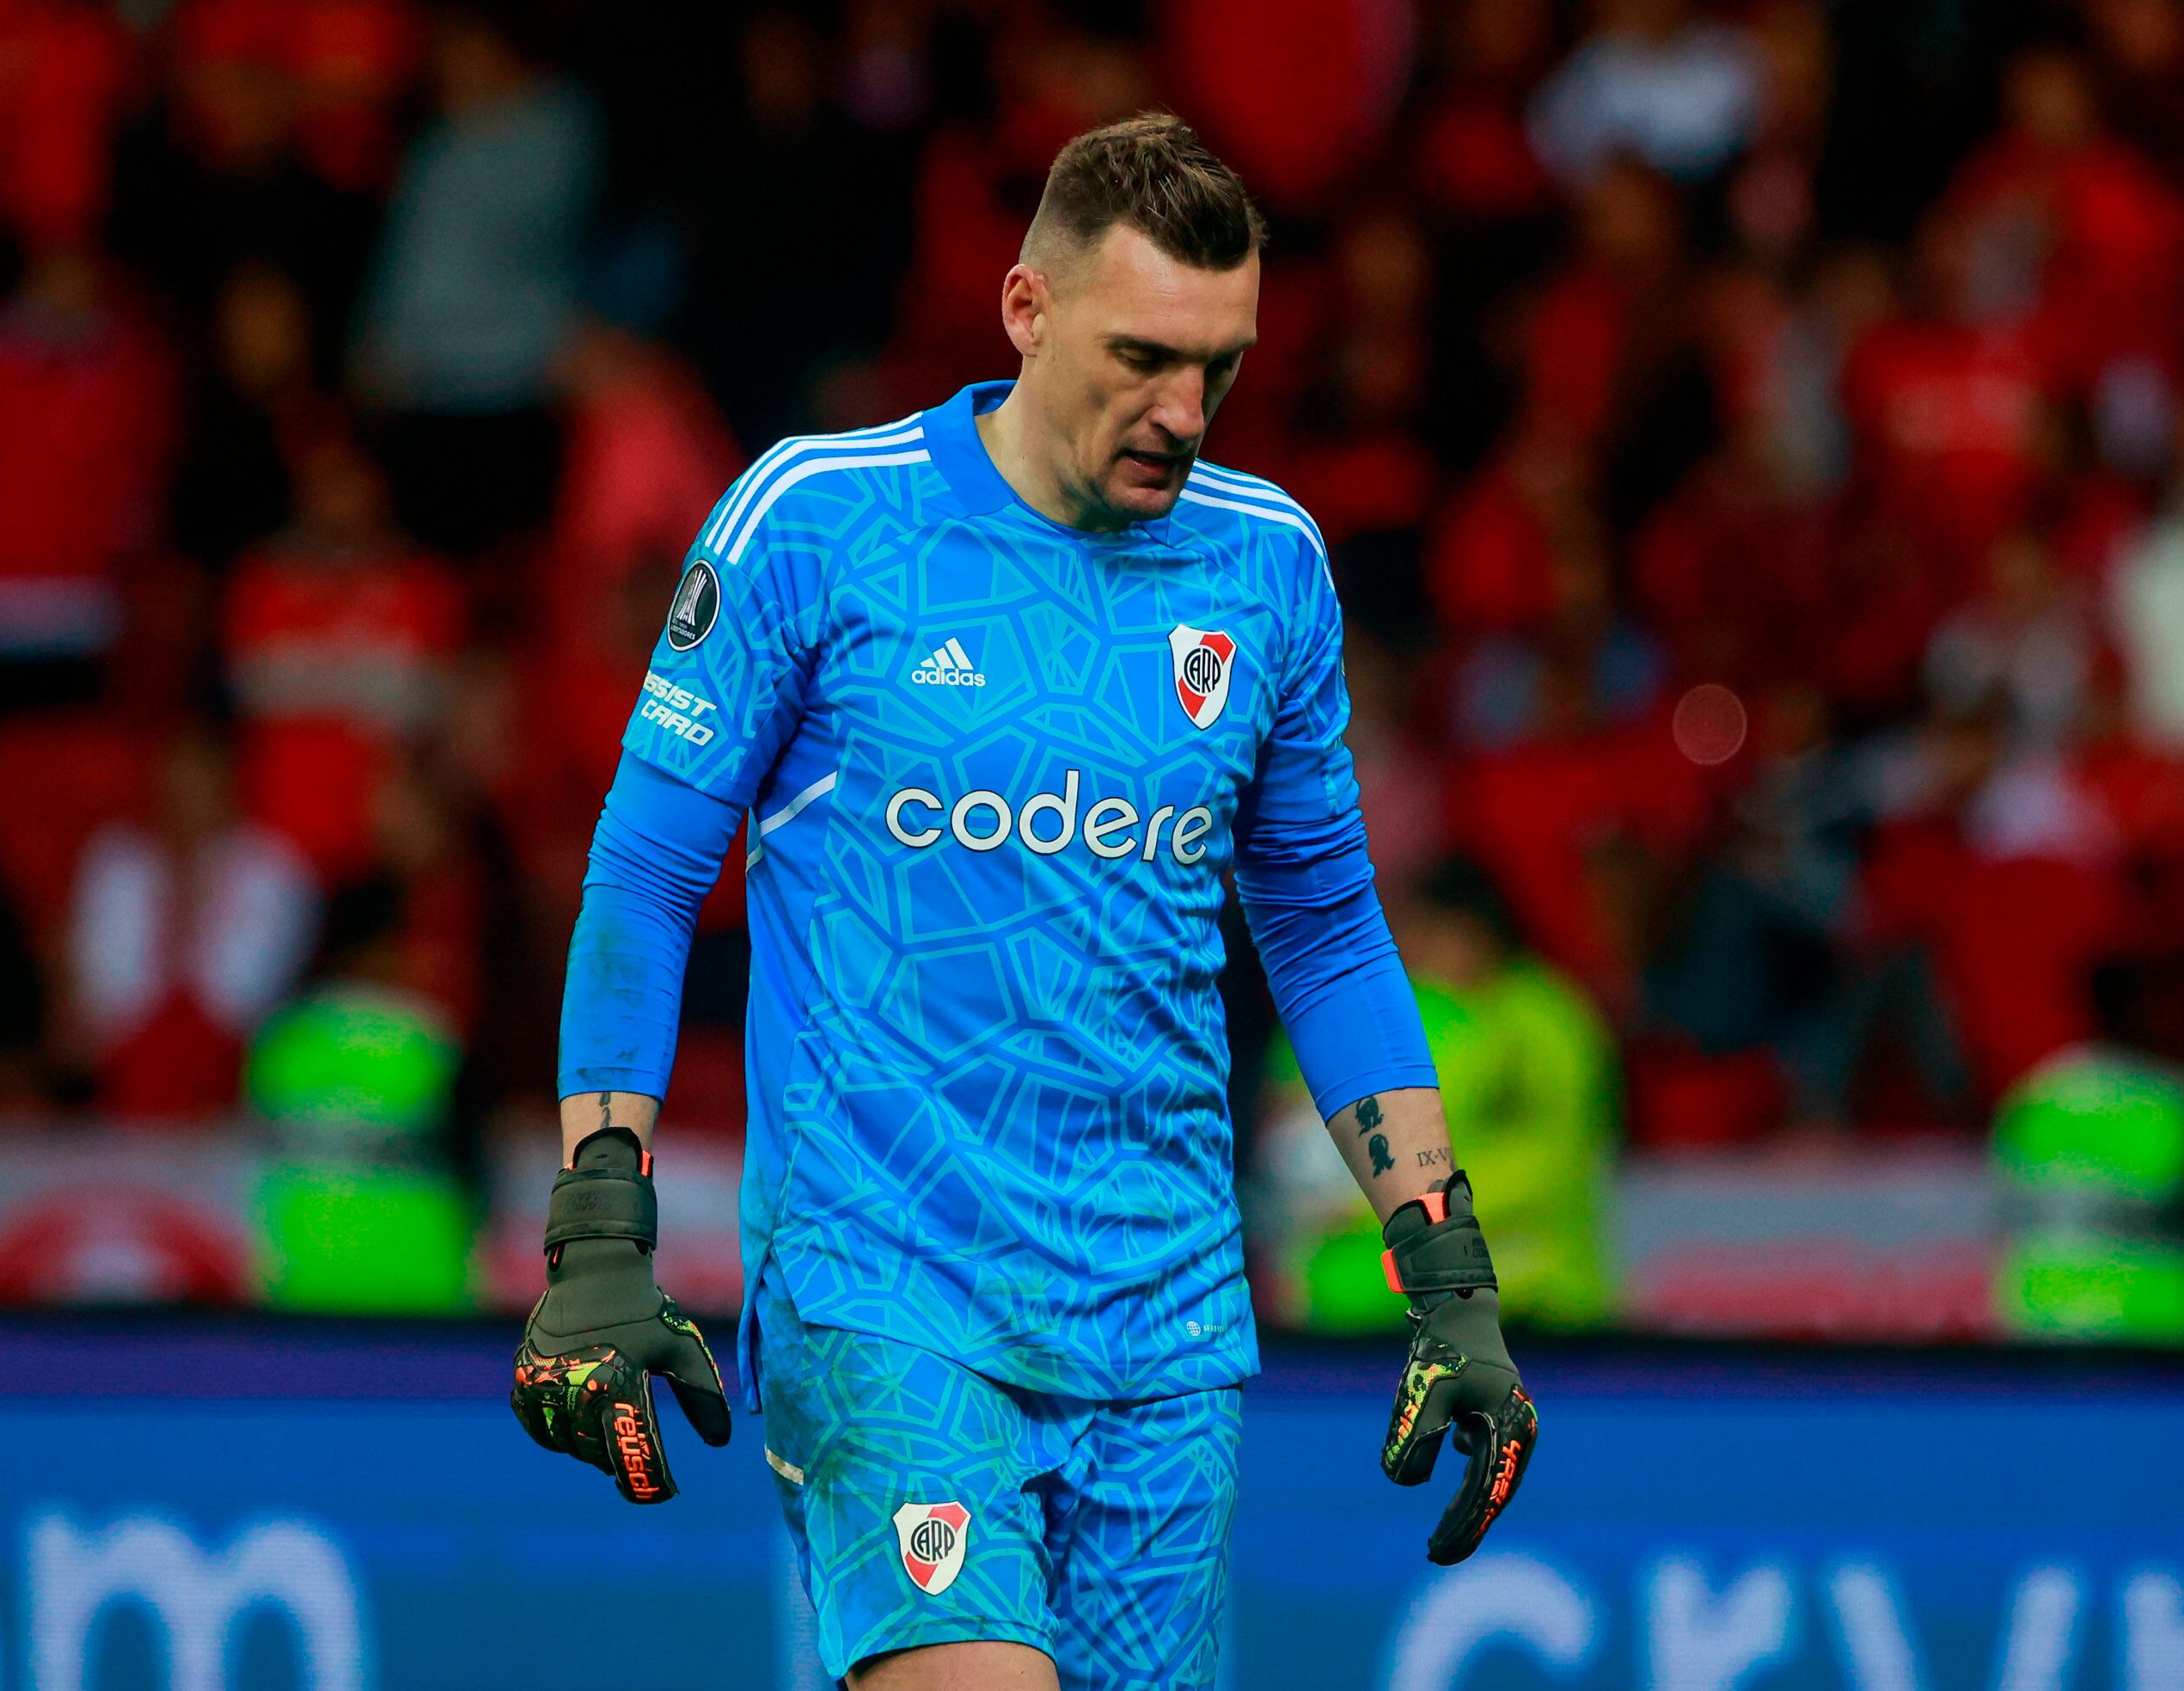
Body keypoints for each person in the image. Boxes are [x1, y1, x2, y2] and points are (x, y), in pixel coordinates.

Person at [511, 116, 1538, 1690]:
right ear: (1026, 309)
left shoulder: (1267, 570)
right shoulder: (818, 520)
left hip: (1168, 1324)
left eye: (1223, 366)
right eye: (1143, 355)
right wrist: (600, 1219)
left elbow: (1326, 929)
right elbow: (647, 873)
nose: (1184, 412)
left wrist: (1445, 1268)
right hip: (889, 1296)